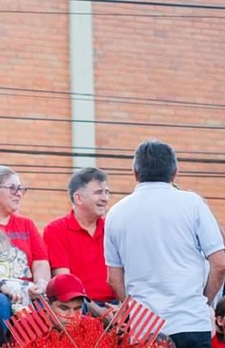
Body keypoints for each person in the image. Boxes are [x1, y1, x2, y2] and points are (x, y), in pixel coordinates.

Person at [105, 139, 225, 348]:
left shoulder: (116, 213)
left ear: (135, 173)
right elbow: (220, 264)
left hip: (144, 327)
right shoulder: (193, 204)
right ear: (175, 172)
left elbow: (114, 279)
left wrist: (135, 311)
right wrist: (203, 300)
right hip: (191, 321)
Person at [0, 165, 51, 328]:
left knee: (49, 305)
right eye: (12, 188)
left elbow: (40, 261)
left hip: (26, 291)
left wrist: (41, 283)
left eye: (20, 189)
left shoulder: (27, 225)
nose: (19, 193)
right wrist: (4, 287)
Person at [43, 167, 116, 317]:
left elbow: (126, 276)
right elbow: (65, 286)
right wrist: (100, 313)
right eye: (98, 192)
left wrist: (122, 309)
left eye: (106, 192)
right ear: (78, 198)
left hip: (115, 306)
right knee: (73, 308)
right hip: (79, 305)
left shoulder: (113, 229)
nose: (105, 198)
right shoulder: (56, 229)